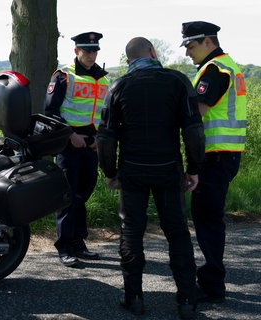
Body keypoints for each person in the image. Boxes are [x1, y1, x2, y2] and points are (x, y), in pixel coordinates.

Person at [97, 37, 205, 319]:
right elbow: (193, 131)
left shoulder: (118, 86)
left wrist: (110, 172)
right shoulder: (178, 82)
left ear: (129, 59)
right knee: (177, 232)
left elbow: (106, 137)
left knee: (131, 231)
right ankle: (187, 301)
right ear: (153, 52)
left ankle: (133, 298)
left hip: (132, 170)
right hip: (168, 169)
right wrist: (194, 168)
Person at [180, 21, 247, 304]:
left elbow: (198, 110)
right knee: (209, 218)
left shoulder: (215, 70)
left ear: (208, 42)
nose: (187, 53)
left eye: (191, 46)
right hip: (225, 154)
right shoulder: (229, 66)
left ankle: (211, 285)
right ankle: (212, 280)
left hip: (215, 155)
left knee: (207, 220)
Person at [44, 31, 110, 268]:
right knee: (68, 197)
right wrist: (70, 135)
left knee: (83, 196)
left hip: (91, 146)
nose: (92, 55)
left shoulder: (104, 79)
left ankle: (79, 243)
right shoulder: (63, 76)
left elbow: (106, 115)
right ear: (76, 51)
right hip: (69, 145)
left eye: (95, 51)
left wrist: (98, 139)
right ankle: (64, 247)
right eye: (87, 51)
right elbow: (50, 112)